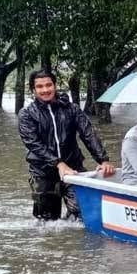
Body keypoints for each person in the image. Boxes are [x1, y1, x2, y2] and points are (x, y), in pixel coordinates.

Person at [17, 69, 114, 220]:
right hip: (42, 173)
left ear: (55, 86)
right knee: (47, 223)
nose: (45, 90)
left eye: (49, 85)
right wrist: (58, 163)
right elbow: (33, 143)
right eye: (40, 87)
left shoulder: (71, 109)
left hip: (74, 169)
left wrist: (103, 160)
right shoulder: (27, 114)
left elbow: (88, 133)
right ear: (33, 90)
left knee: (84, 216)